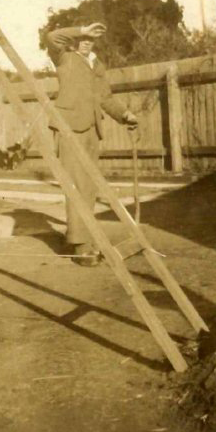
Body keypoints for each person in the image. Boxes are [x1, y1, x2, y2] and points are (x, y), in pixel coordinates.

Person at [46, 21, 138, 265]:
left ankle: (80, 237)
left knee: (89, 187)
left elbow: (105, 97)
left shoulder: (97, 65)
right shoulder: (64, 58)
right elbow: (53, 36)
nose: (86, 42)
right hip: (69, 128)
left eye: (91, 39)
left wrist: (124, 115)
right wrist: (81, 30)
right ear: (76, 39)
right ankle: (81, 245)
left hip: (91, 130)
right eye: (83, 38)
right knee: (77, 184)